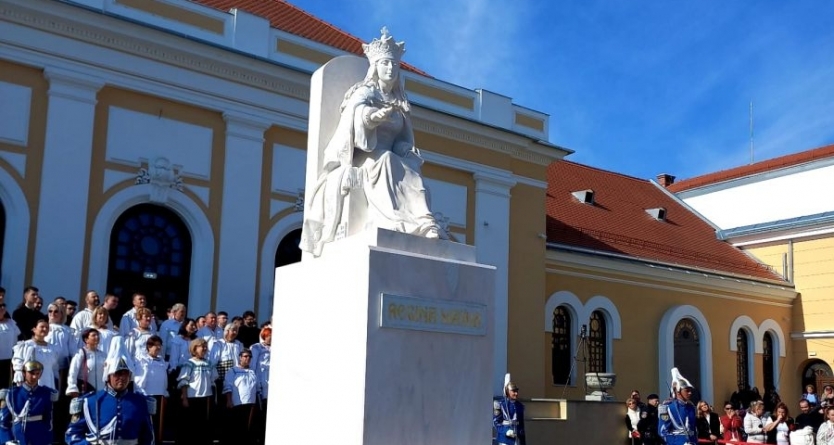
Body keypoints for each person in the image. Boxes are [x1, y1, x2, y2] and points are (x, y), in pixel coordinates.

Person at [299, 27, 448, 257]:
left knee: (412, 172)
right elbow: (354, 115)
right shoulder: (365, 92)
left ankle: (425, 222)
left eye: (394, 65)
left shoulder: (401, 101)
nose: (390, 68)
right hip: (365, 157)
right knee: (387, 161)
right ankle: (395, 221)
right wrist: (372, 117)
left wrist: (407, 149)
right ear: (376, 67)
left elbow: (401, 139)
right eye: (386, 63)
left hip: (391, 157)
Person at [65, 349, 155, 445]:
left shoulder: (140, 402)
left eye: (126, 374)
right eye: (118, 373)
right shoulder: (89, 401)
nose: (122, 378)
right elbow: (72, 435)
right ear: (108, 376)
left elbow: (148, 437)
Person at [4, 360, 59, 445]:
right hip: (18, 436)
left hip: (39, 435)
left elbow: (49, 419)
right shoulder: (12, 393)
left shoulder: (46, 393)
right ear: (24, 373)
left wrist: (48, 439)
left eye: (37, 374)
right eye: (31, 373)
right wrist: (7, 440)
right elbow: (3, 422)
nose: (34, 377)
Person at [177, 338, 217, 445]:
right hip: (192, 398)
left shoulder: (209, 363)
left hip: (206, 398)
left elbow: (213, 380)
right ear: (195, 348)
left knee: (204, 425)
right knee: (191, 426)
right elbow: (183, 381)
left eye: (205, 347)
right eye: (201, 346)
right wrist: (184, 398)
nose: (204, 349)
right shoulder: (189, 363)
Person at [12, 319, 59, 391]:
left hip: (48, 381)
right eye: (42, 327)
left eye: (47, 327)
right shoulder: (26, 345)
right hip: (32, 381)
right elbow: (18, 360)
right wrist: (18, 372)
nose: (45, 329)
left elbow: (54, 366)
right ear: (34, 329)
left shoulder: (52, 348)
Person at [223, 349, 258, 445]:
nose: (248, 358)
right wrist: (229, 400)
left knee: (248, 428)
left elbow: (256, 387)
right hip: (237, 403)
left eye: (250, 357)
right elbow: (228, 386)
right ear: (240, 357)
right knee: (237, 428)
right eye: (246, 356)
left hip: (251, 403)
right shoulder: (233, 370)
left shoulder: (252, 372)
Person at [658, 368, 697, 445]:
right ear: (678, 392)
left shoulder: (691, 408)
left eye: (690, 390)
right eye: (687, 390)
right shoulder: (666, 408)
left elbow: (692, 430)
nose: (690, 393)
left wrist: (693, 442)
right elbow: (663, 432)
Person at [66, 328, 107, 397]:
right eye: (93, 335)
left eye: (97, 335)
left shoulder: (103, 355)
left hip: (101, 390)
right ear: (86, 340)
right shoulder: (80, 353)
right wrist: (72, 387)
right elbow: (73, 371)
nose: (97, 337)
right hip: (86, 390)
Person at [493, 374, 525, 445]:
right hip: (504, 439)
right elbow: (496, 422)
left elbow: (521, 425)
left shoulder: (520, 406)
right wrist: (506, 431)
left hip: (517, 438)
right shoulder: (500, 404)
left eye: (516, 391)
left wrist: (523, 441)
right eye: (513, 391)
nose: (516, 393)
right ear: (507, 392)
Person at [0, 302, 21, 386]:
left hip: (8, 359)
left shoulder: (11, 323)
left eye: (3, 306)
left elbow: (18, 338)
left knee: (5, 385)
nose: (2, 308)